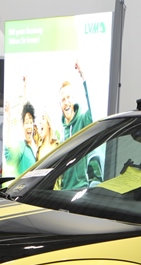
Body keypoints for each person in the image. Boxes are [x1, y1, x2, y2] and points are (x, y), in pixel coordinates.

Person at [59, 61, 94, 189]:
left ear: (73, 99)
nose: (66, 102)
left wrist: (83, 76)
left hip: (81, 187)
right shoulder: (61, 132)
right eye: (63, 99)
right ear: (60, 104)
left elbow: (92, 106)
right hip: (64, 190)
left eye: (69, 97)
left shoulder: (83, 121)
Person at [4, 101, 37, 174]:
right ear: (23, 125)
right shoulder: (22, 146)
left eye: (31, 122)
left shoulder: (38, 147)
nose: (29, 126)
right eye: (27, 123)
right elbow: (9, 157)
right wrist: (8, 119)